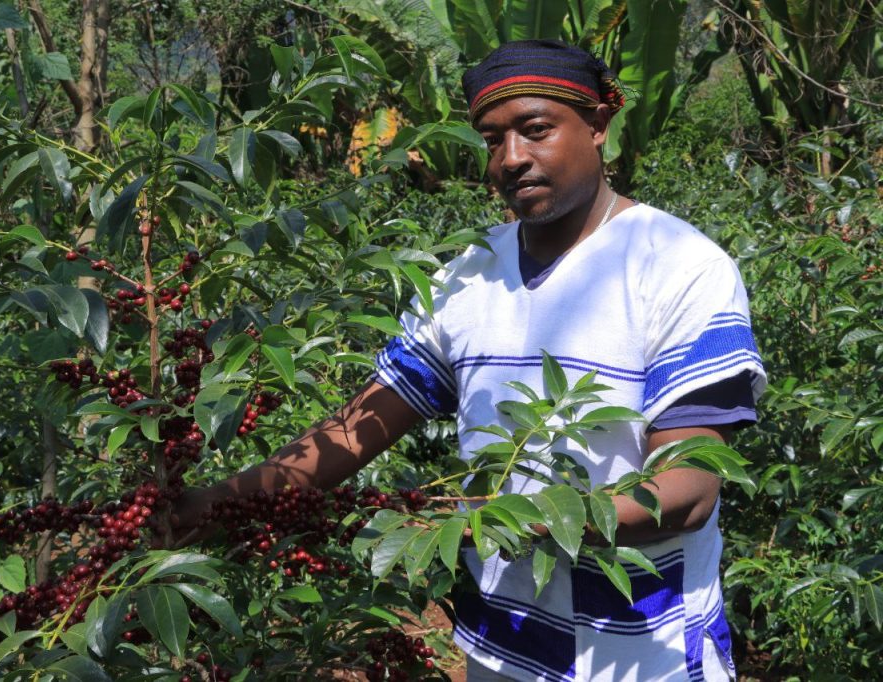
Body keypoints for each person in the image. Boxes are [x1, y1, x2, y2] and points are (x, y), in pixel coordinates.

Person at [171, 40, 766, 682]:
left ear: (596, 126)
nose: (511, 158)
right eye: (492, 139)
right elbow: (356, 428)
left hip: (641, 655)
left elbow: (688, 492)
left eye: (535, 130)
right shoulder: (469, 273)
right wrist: (208, 504)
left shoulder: (679, 266)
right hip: (497, 646)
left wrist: (514, 521)